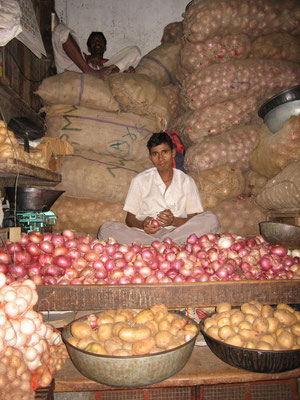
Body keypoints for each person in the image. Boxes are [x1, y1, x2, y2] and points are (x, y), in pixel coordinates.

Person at [98, 132, 221, 245]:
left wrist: (174, 221)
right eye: (155, 154)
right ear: (150, 157)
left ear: (173, 153)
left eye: (165, 152)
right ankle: (164, 246)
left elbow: (193, 219)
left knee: (211, 219)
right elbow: (129, 219)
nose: (160, 158)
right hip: (145, 235)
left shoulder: (187, 182)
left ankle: (156, 246)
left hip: (177, 233)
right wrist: (142, 225)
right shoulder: (140, 181)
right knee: (106, 229)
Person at [52, 21, 141, 78]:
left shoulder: (111, 64)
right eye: (94, 41)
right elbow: (61, 34)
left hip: (106, 72)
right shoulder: (80, 57)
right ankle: (90, 72)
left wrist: (126, 73)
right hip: (79, 69)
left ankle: (108, 77)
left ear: (105, 47)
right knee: (59, 29)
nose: (97, 42)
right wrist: (88, 66)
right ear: (89, 48)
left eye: (100, 41)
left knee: (134, 50)